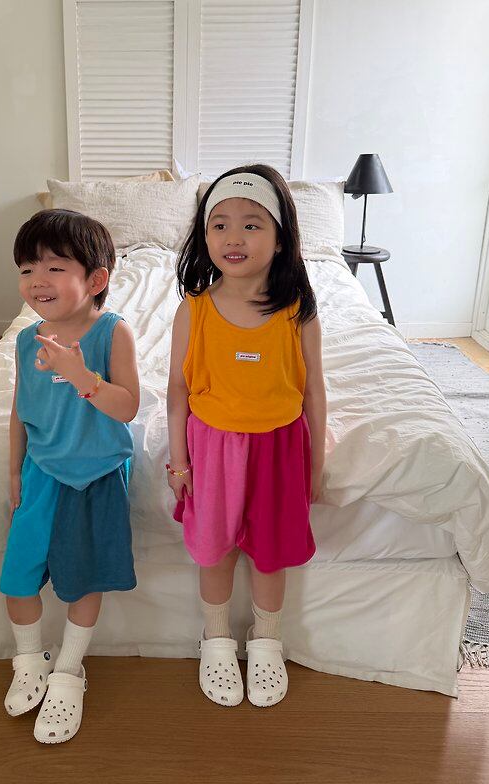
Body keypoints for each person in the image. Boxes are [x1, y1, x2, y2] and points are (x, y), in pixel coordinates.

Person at [166, 164, 326, 707]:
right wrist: (180, 461)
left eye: (252, 225)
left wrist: (316, 464)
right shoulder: (193, 310)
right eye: (220, 225)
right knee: (215, 550)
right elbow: (177, 392)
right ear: (204, 236)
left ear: (280, 239)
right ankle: (215, 638)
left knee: (270, 553)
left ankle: (266, 640)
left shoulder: (298, 312)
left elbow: (314, 392)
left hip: (279, 450)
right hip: (213, 451)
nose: (233, 238)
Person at [0, 208, 139, 744]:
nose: (37, 280)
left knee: (83, 577)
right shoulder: (26, 339)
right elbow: (20, 408)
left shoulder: (113, 332)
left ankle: (69, 669)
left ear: (96, 279)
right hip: (41, 471)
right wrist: (14, 469)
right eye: (27, 268)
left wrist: (81, 376)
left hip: (96, 474)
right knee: (18, 575)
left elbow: (127, 407)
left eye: (55, 267)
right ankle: (30, 659)